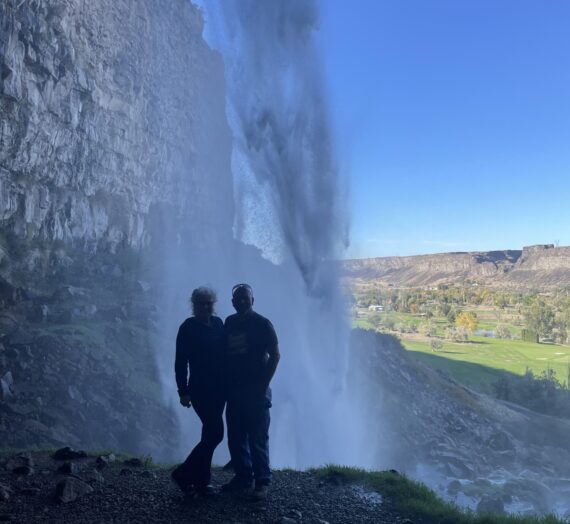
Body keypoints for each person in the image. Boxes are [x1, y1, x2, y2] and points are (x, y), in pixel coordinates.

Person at [222, 283, 280, 501]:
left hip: (256, 392)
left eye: (245, 298)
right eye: (238, 298)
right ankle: (243, 477)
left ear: (252, 300)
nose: (242, 301)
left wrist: (263, 385)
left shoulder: (263, 324)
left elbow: (275, 355)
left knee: (257, 438)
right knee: (235, 437)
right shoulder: (229, 322)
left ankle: (262, 481)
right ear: (232, 302)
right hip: (235, 390)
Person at [171, 286, 226, 496]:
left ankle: (202, 481)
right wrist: (183, 391)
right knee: (216, 433)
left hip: (220, 389)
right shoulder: (188, 327)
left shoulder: (219, 323)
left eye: (209, 302)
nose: (205, 306)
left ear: (214, 304)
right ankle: (183, 473)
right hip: (200, 389)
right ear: (193, 305)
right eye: (201, 303)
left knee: (209, 433)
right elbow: (180, 362)